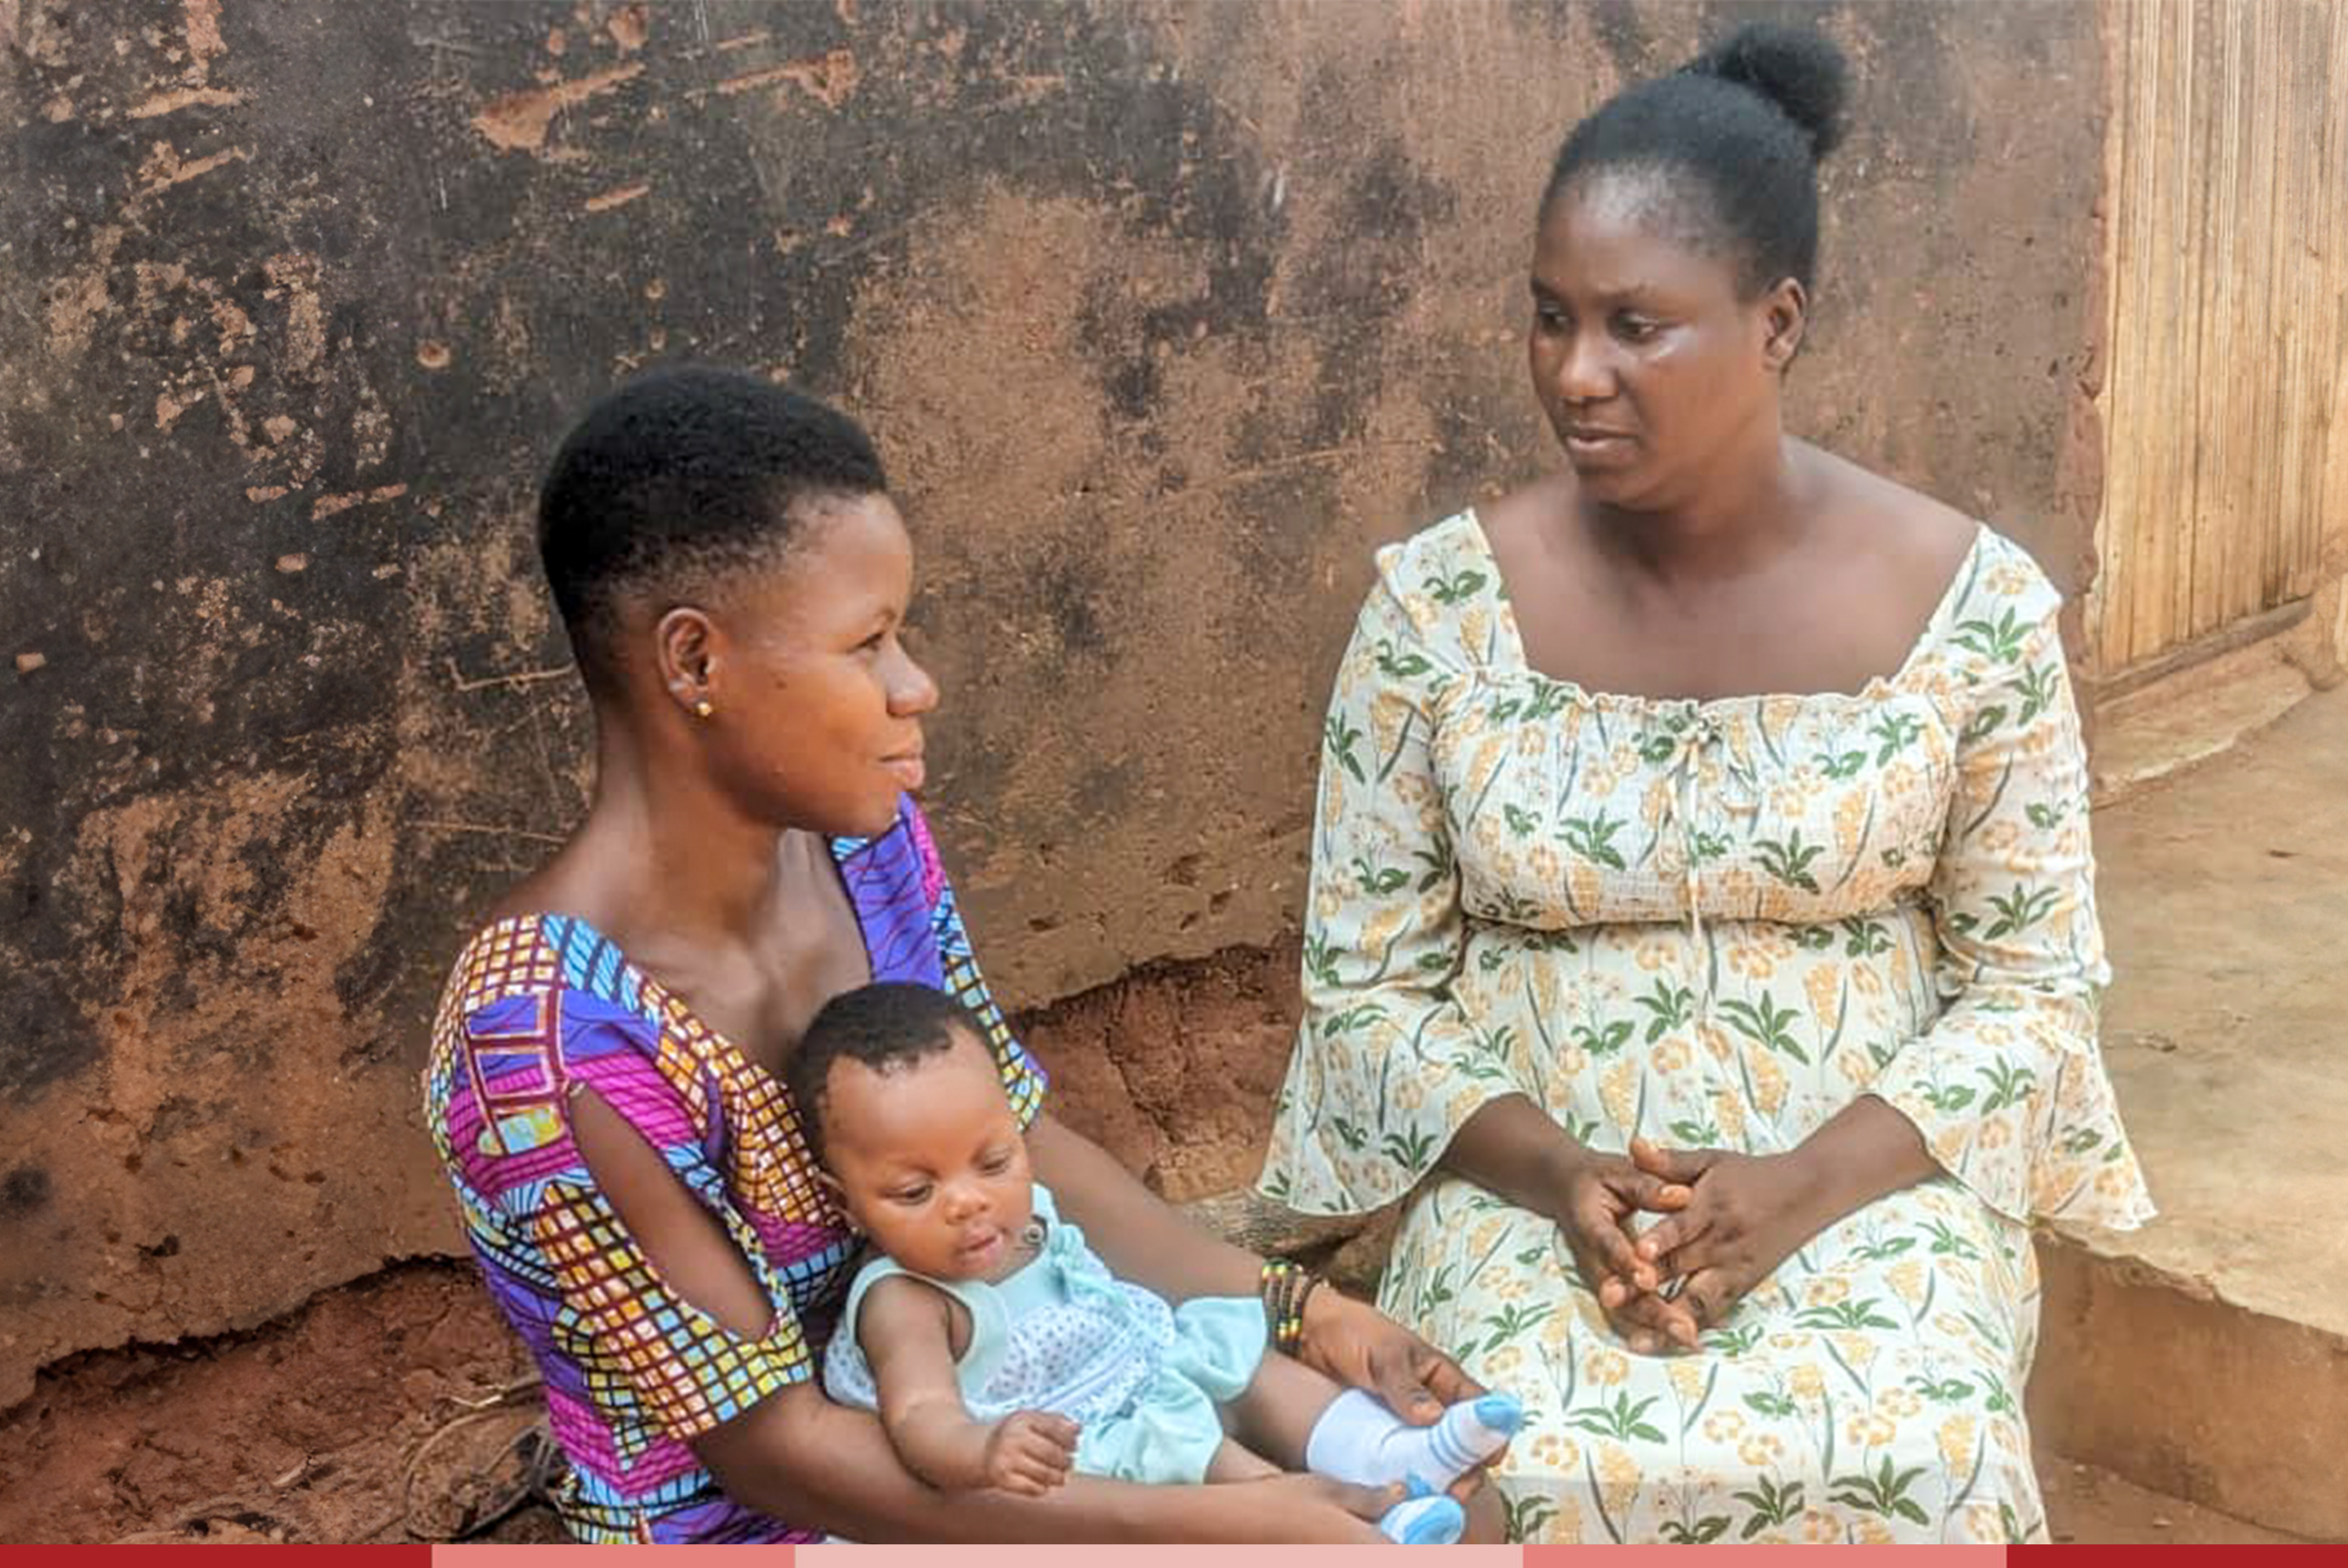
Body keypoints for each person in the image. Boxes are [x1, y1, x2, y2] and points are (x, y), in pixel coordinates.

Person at [1261, 21, 2153, 1545]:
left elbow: (2034, 990)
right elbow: (1364, 993)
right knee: (1502, 1457)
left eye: (1636, 324)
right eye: (1550, 318)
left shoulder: (1972, 609)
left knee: (1911, 1443)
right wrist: (1559, 1175)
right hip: (1527, 1154)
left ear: (1778, 320)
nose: (1575, 373)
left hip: (1869, 1165)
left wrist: (1803, 1184)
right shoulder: (1437, 614)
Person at [421, 366, 1503, 1543]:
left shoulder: (868, 853)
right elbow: (779, 1452)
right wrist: (1223, 1526)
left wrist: (1308, 1308)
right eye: (868, 641)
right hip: (790, 1530)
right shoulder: (542, 1041)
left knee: (1454, 1500)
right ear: (694, 663)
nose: (914, 684)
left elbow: (1020, 1139)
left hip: (1028, 1412)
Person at [788, 980, 1523, 1543]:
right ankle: (1359, 1522)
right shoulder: (906, 1299)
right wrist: (983, 1450)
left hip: (1139, 1371)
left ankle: (1395, 1454)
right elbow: (920, 1416)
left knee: (1245, 1361)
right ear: (847, 1203)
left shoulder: (1034, 1210)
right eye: (917, 1190)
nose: (968, 1202)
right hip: (1079, 1455)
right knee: (1199, 1446)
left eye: (993, 1159)